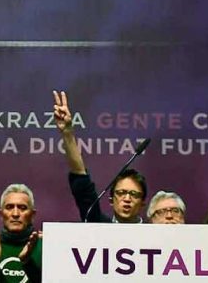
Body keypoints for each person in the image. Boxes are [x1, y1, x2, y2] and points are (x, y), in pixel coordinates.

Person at [53, 91, 147, 223]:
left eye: (134, 194)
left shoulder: (155, 234)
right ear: (111, 200)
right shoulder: (98, 225)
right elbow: (81, 179)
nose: (127, 199)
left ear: (143, 203)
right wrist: (67, 132)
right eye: (121, 193)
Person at [0, 184, 41, 283]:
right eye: (9, 207)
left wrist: (27, 262)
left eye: (22, 208)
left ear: (32, 214)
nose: (15, 214)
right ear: (1, 214)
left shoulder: (44, 247)